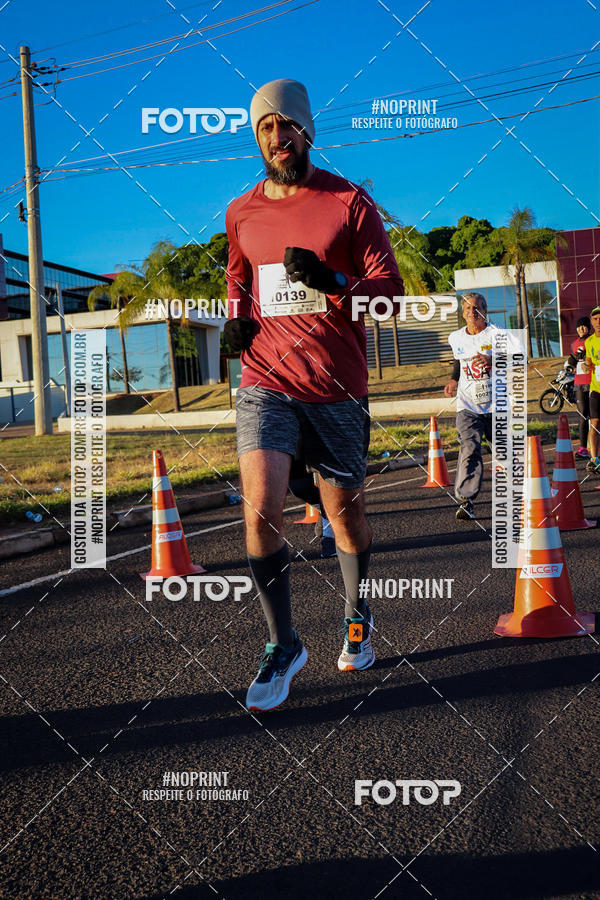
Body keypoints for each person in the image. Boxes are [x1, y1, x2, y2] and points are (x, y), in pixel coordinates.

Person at [224, 78, 404, 711]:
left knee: (345, 512)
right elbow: (238, 282)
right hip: (265, 379)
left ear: (307, 131)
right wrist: (238, 323)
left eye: (286, 126)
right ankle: (284, 643)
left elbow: (391, 292)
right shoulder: (241, 211)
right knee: (259, 507)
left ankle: (357, 613)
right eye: (265, 128)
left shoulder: (349, 202)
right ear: (258, 139)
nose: (277, 138)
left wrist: (332, 280)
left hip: (335, 384)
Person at [444, 292, 497, 521]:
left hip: (497, 406)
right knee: (470, 448)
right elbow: (458, 359)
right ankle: (466, 501)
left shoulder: (498, 334)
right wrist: (454, 379)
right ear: (462, 313)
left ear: (484, 311)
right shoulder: (456, 337)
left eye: (476, 308)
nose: (472, 312)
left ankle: (523, 498)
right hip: (468, 406)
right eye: (467, 309)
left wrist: (493, 360)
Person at [568, 316, 592, 458]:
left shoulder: (593, 340)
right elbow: (572, 358)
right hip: (579, 382)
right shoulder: (575, 343)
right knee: (583, 414)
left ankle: (594, 445)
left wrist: (587, 355)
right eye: (579, 327)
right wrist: (570, 364)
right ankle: (583, 447)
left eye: (583, 326)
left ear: (588, 327)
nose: (581, 329)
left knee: (595, 415)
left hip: (593, 381)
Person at [584, 305, 600, 475]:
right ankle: (595, 460)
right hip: (596, 388)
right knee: (594, 423)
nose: (598, 322)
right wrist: (588, 363)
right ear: (592, 322)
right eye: (595, 319)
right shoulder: (589, 341)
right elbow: (589, 359)